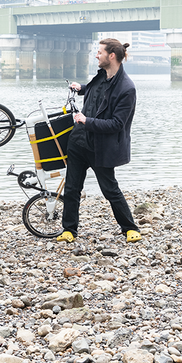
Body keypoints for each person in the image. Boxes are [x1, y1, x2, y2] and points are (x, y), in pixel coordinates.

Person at [57, 38, 141, 243]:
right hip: (78, 141)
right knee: (72, 188)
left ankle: (130, 228)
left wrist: (87, 120)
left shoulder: (127, 88)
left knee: (110, 189)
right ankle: (69, 230)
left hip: (101, 147)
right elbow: (96, 92)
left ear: (111, 56)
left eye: (99, 52)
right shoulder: (102, 75)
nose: (96, 55)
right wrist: (81, 88)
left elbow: (116, 124)